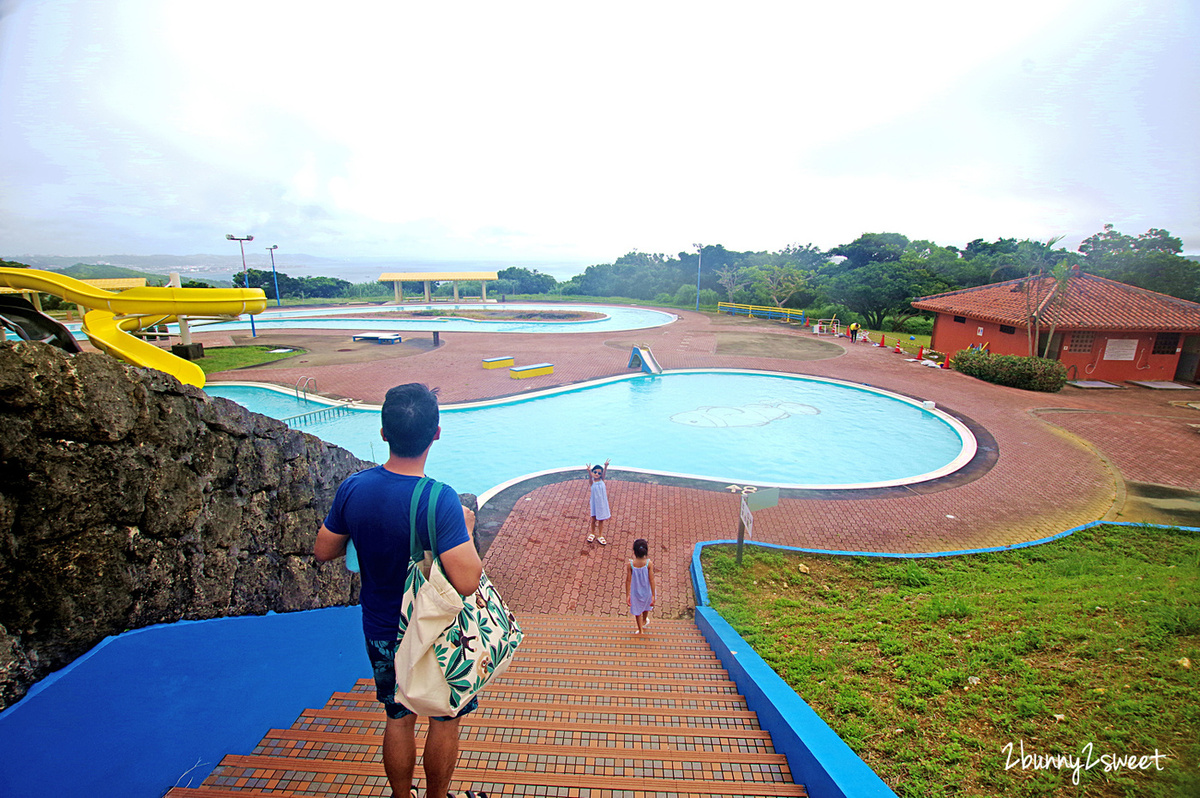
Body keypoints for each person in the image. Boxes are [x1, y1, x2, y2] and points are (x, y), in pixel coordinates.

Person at [315, 383, 487, 798]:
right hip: (433, 630)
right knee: (445, 717)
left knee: (398, 715)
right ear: (437, 433)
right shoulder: (440, 500)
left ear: (383, 433)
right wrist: (466, 528)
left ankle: (399, 796)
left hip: (379, 626)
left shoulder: (353, 488)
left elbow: (324, 550)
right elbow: (467, 580)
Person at [625, 538, 656, 634]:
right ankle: (645, 620)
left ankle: (640, 630)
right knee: (647, 606)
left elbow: (628, 580)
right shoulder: (649, 564)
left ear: (634, 551)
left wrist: (627, 594)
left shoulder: (630, 565)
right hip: (647, 591)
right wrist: (653, 594)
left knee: (637, 611)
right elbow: (651, 579)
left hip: (636, 592)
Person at [585, 459, 611, 545]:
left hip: (602, 503)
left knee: (601, 520)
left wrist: (606, 466)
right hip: (594, 503)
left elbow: (604, 474)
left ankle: (600, 535)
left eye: (599, 473)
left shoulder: (602, 480)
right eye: (595, 472)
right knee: (593, 519)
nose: (597, 474)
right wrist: (589, 471)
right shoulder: (592, 482)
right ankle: (592, 533)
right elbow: (590, 477)